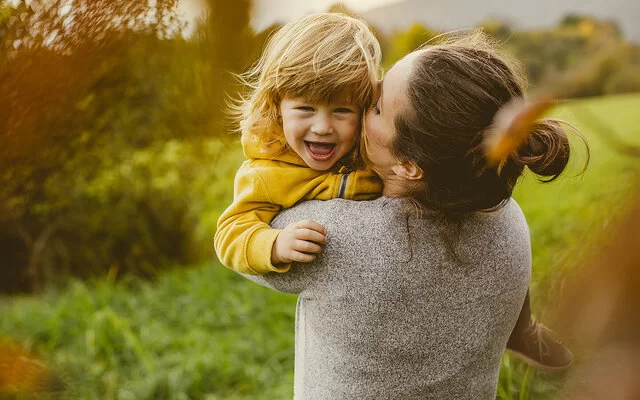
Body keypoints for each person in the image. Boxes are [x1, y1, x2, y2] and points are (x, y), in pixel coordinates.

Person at [239, 31, 587, 399]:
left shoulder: (330, 236)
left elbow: (247, 233)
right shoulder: (508, 218)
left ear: (408, 165)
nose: (363, 95)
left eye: (375, 107)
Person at [214, 13, 383, 276]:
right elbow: (230, 233)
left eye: (341, 111)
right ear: (277, 107)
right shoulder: (266, 172)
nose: (323, 127)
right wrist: (274, 245)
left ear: (363, 110)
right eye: (305, 109)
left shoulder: (373, 149)